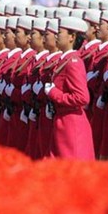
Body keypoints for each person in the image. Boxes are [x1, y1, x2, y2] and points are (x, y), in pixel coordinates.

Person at [44, 17, 95, 159]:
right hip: (62, 121)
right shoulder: (65, 60)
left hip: (71, 125)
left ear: (72, 37)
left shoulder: (73, 62)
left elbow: (82, 98)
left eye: (60, 32)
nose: (56, 36)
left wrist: (54, 93)